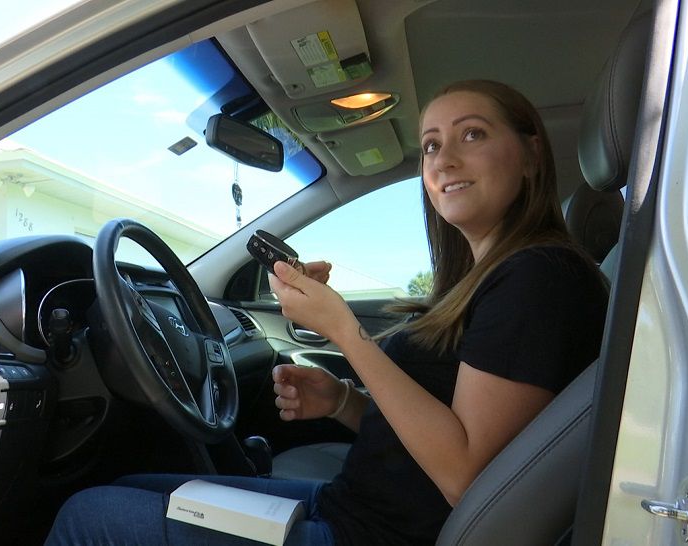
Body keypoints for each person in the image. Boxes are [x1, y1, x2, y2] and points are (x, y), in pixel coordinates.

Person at [45, 80, 609, 545]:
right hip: (353, 506)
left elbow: (465, 474)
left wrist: (345, 331)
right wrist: (340, 402)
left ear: (532, 154)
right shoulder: (485, 281)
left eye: (473, 134)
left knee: (85, 516)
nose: (446, 159)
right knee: (136, 485)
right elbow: (432, 427)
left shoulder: (540, 278)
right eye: (432, 145)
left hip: (370, 535)